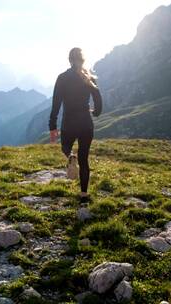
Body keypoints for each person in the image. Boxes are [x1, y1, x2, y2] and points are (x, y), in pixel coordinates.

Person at [48, 47, 103, 200]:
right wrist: (96, 113)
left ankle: (71, 156)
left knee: (65, 146)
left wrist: (52, 126)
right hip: (86, 122)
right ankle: (84, 194)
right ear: (83, 60)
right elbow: (98, 100)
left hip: (69, 122)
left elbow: (56, 104)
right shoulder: (89, 77)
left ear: (69, 60)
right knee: (84, 159)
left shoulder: (62, 78)